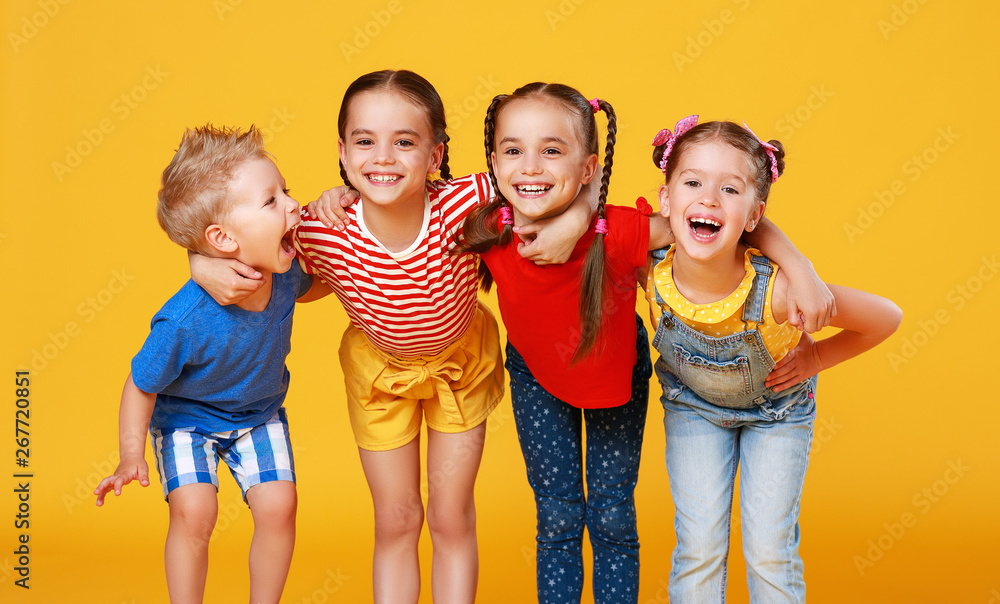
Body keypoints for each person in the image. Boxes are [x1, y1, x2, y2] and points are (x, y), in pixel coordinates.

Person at [188, 70, 593, 604]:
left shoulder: (468, 200)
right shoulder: (318, 229)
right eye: (365, 142)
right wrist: (199, 261)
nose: (383, 157)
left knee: (451, 516)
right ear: (342, 150)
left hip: (460, 368)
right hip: (380, 379)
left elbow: (554, 185)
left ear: (434, 156)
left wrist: (578, 217)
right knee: (397, 518)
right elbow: (239, 237)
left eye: (404, 142)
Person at [458, 85, 834, 604]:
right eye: (513, 150)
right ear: (494, 160)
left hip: (617, 377)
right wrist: (336, 199)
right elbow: (407, 198)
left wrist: (800, 265)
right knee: (558, 514)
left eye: (551, 150)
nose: (530, 167)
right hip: (536, 378)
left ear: (587, 168)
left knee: (611, 512)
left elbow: (712, 225)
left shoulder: (621, 231)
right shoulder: (485, 225)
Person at [645, 117, 902, 602]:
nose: (708, 200)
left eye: (730, 189)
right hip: (694, 409)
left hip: (777, 415)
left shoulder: (781, 291)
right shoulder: (646, 264)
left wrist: (817, 358)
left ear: (753, 215)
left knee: (768, 551)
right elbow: (589, 228)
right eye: (693, 182)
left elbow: (886, 317)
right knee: (698, 548)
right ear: (666, 199)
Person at [94, 125, 329, 604]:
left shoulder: (284, 276)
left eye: (288, 191)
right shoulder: (184, 320)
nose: (292, 206)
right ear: (221, 238)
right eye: (272, 201)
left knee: (281, 506)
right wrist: (130, 454)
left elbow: (322, 283)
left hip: (257, 416)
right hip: (187, 423)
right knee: (194, 512)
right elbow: (140, 384)